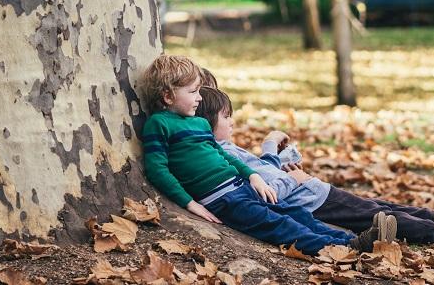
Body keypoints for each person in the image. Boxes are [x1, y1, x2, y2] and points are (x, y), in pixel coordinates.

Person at [195, 84, 434, 247]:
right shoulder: (220, 153)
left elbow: (266, 175)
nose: (233, 122)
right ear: (208, 122)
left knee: (382, 206)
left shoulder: (223, 147)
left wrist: (283, 162)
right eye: (227, 117)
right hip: (312, 201)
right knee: (382, 217)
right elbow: (267, 187)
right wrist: (276, 156)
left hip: (313, 192)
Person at [138, 54, 397, 255]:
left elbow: (225, 156)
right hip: (223, 200)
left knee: (297, 215)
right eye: (193, 92)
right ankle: (341, 249)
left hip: (243, 187)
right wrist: (189, 204)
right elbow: (158, 170)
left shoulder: (199, 123)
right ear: (168, 95)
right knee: (279, 226)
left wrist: (253, 177)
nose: (199, 98)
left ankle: (353, 240)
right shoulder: (160, 124)